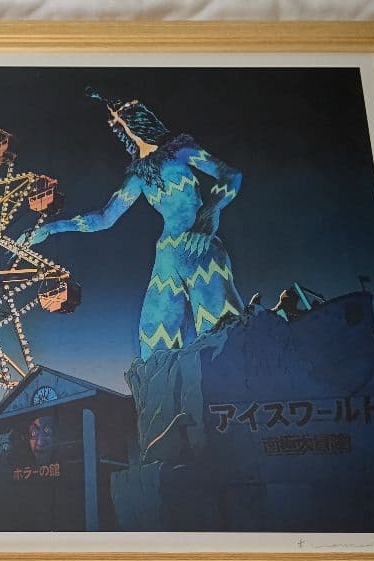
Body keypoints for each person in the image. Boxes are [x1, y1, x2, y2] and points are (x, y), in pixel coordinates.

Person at [27, 88, 246, 360]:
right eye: (115, 119)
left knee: (221, 324)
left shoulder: (181, 150)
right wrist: (52, 228)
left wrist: (210, 211)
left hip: (198, 244)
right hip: (166, 255)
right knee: (154, 336)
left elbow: (230, 176)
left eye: (123, 113)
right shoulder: (138, 176)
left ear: (140, 116)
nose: (120, 121)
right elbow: (104, 218)